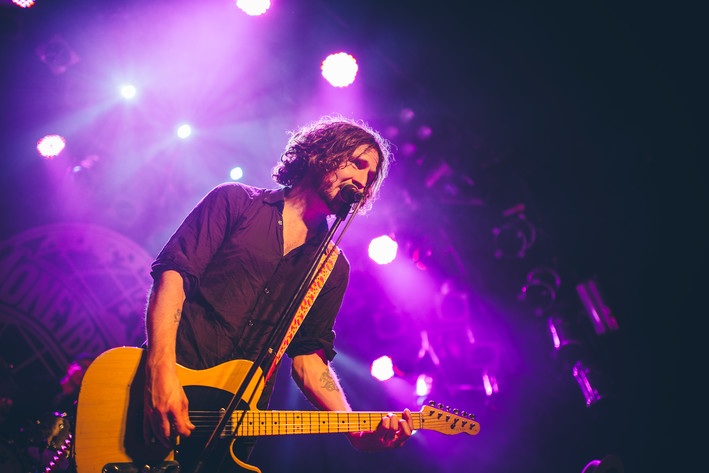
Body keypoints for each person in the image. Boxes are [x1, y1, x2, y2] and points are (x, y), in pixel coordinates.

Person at [143, 117, 413, 470]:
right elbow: (173, 279)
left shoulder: (331, 268)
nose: (362, 180)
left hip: (229, 430)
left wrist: (353, 428)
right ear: (322, 153)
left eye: (370, 176)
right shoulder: (235, 202)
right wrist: (159, 370)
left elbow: (307, 358)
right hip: (166, 388)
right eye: (357, 163)